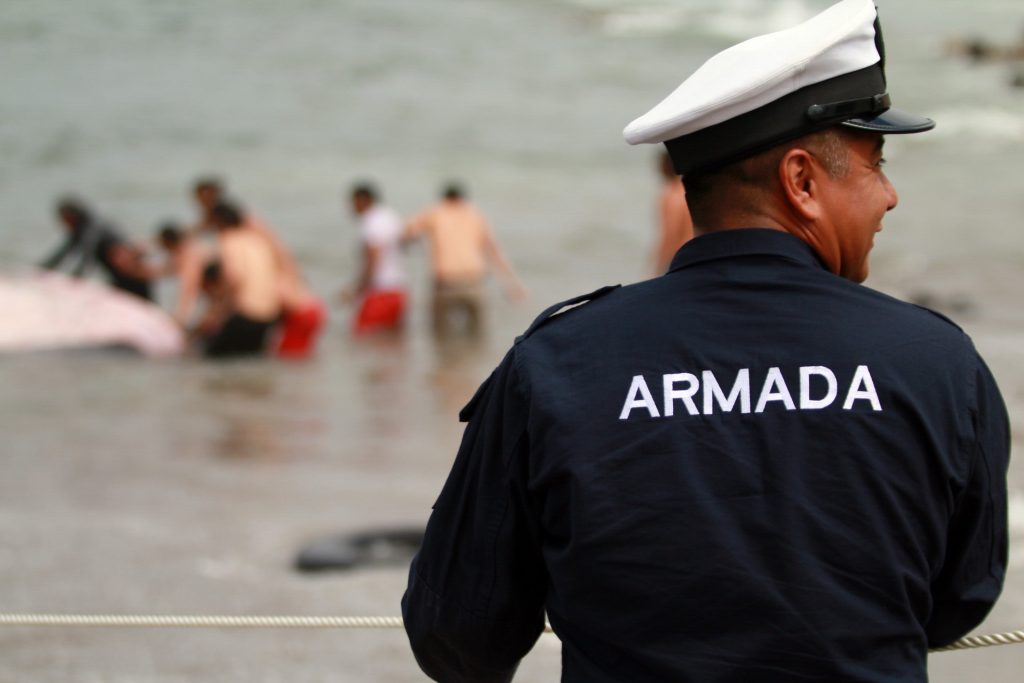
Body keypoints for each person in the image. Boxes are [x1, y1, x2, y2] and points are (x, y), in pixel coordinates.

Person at [401, 2, 1010, 682]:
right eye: (876, 163)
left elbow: (456, 635)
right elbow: (960, 598)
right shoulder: (936, 361)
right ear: (802, 180)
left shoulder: (557, 365)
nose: (890, 195)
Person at [190, 177, 325, 357]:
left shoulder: (233, 235)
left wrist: (220, 311)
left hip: (279, 312)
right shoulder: (251, 238)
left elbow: (236, 276)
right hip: (292, 311)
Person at [403, 183, 527, 337]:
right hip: (474, 282)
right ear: (463, 199)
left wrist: (412, 243)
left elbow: (407, 232)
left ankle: (446, 361)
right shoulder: (475, 215)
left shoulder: (434, 213)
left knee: (441, 336)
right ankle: (475, 361)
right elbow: (494, 251)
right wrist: (513, 284)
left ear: (444, 199)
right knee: (477, 336)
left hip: (445, 283)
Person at [201, 202, 282, 358]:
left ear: (218, 220)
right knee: (249, 362)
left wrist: (218, 312)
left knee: (211, 359)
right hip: (270, 315)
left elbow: (234, 279)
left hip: (246, 314)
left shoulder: (228, 240)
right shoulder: (257, 240)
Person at [40, 198, 153, 301]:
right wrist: (44, 268)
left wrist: (76, 278)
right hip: (122, 279)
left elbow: (87, 254)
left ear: (71, 216)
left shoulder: (92, 228)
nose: (64, 224)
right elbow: (64, 252)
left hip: (133, 278)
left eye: (64, 219)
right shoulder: (84, 226)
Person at [341, 183, 407, 334]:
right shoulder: (391, 217)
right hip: (399, 290)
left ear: (362, 200)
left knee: (364, 338)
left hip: (380, 291)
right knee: (390, 342)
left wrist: (357, 288)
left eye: (353, 202)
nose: (351, 208)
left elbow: (374, 258)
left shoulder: (371, 222)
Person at [155, 223, 210, 327]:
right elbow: (161, 271)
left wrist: (180, 319)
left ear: (168, 242)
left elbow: (189, 289)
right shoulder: (183, 249)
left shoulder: (189, 255)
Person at [653, 150, 693, 274]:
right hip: (696, 255)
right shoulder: (691, 191)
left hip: (679, 259)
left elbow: (670, 236)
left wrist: (657, 269)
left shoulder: (671, 195)